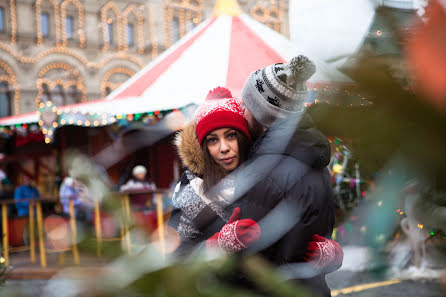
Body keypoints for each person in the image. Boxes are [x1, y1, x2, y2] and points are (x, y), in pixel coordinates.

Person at [168, 87, 342, 273]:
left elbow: (293, 240)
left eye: (231, 135)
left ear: (244, 137)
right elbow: (177, 261)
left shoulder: (268, 178)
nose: (224, 147)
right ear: (203, 148)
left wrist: (328, 256)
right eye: (212, 140)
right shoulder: (194, 192)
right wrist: (217, 245)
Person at [228, 55, 336, 296]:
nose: (243, 112)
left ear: (262, 113)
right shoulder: (314, 157)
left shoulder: (265, 169)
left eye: (247, 105)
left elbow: (251, 259)